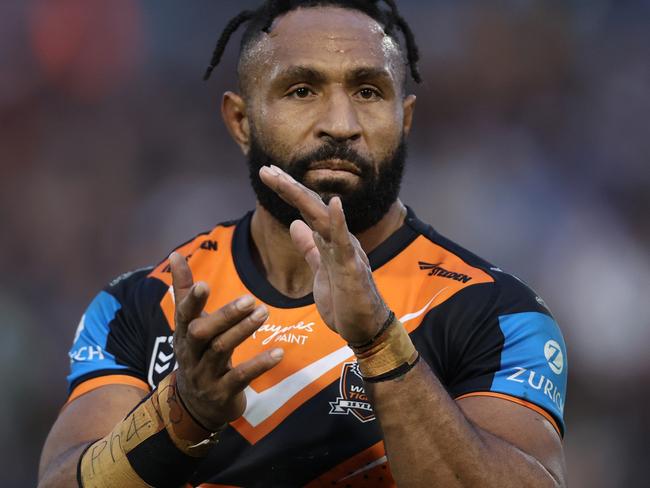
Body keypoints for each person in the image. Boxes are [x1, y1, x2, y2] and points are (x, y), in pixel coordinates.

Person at [38, 1, 568, 486]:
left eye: (367, 91)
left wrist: (382, 344)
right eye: (301, 90)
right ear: (240, 121)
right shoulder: (141, 307)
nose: (340, 125)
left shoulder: (493, 314)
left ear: (404, 120)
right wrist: (181, 417)